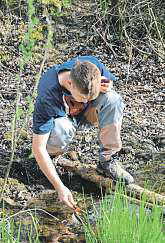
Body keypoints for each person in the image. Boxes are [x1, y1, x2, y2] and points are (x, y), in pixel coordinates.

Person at [32, 55, 134, 209]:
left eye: (88, 98)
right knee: (62, 129)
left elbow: (109, 81)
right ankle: (52, 158)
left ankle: (107, 160)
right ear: (70, 83)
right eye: (82, 97)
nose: (85, 102)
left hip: (85, 117)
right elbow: (38, 148)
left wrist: (106, 86)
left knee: (113, 99)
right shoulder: (47, 96)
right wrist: (60, 187)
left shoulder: (92, 66)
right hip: (62, 123)